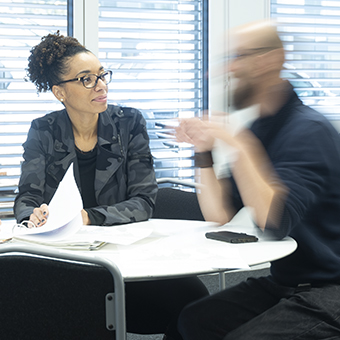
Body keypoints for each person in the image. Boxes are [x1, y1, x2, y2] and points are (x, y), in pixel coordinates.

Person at [14, 31, 209, 339]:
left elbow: (144, 200)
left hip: (129, 257)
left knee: (197, 303)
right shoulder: (43, 131)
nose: (101, 85)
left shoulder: (129, 123)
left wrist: (88, 217)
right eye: (86, 79)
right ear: (59, 92)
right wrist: (32, 215)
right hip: (68, 263)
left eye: (102, 75)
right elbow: (27, 196)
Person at [175, 20, 340, 339]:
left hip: (330, 289)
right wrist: (203, 152)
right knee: (193, 321)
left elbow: (275, 219)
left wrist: (237, 141)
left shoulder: (310, 132)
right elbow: (219, 214)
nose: (229, 68)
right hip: (286, 282)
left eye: (240, 56)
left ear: (270, 59)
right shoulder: (261, 130)